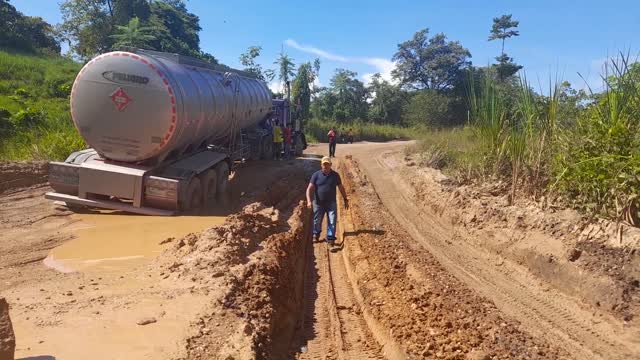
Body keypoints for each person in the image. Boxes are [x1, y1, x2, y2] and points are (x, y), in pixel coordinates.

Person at [306, 156, 349, 250]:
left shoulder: (335, 175)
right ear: (321, 165)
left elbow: (341, 187)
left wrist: (345, 199)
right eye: (324, 164)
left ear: (330, 165)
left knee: (332, 221)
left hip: (331, 203)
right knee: (317, 221)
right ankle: (316, 234)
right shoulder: (316, 175)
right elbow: (309, 189)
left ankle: (330, 241)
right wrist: (309, 201)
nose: (325, 166)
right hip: (318, 203)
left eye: (327, 164)